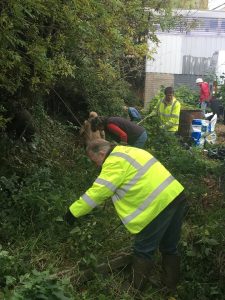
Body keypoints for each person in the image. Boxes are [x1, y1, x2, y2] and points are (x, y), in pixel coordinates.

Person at [64, 139, 186, 290]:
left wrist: (72, 212)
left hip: (157, 206)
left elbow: (97, 193)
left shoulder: (113, 163)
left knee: (143, 249)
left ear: (101, 153)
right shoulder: (129, 151)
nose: (96, 165)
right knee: (169, 245)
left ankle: (135, 290)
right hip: (176, 195)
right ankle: (169, 285)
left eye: (94, 160)